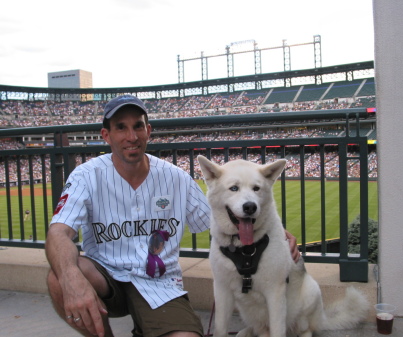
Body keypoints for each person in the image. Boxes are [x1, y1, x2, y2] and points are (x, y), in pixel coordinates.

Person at [45, 95, 300, 337]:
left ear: (149, 130)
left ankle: (151, 327)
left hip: (160, 285)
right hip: (106, 277)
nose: (131, 136)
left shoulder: (176, 178)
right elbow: (58, 232)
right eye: (121, 128)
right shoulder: (85, 176)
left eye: (138, 126)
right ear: (106, 136)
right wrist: (71, 281)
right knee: (60, 276)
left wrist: (277, 233)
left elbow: (220, 214)